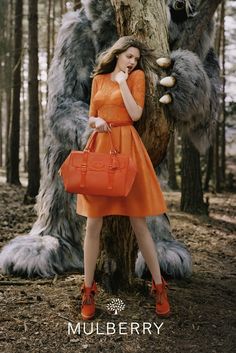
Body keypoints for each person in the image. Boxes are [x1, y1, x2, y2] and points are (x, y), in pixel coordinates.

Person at [76, 36, 171, 320]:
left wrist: (121, 83)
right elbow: (91, 116)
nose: (132, 61)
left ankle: (159, 287)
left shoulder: (137, 77)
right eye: (129, 56)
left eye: (136, 58)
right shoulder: (98, 79)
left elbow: (136, 113)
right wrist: (97, 122)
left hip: (128, 147)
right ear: (117, 53)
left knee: (138, 221)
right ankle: (88, 289)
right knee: (94, 222)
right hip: (101, 147)